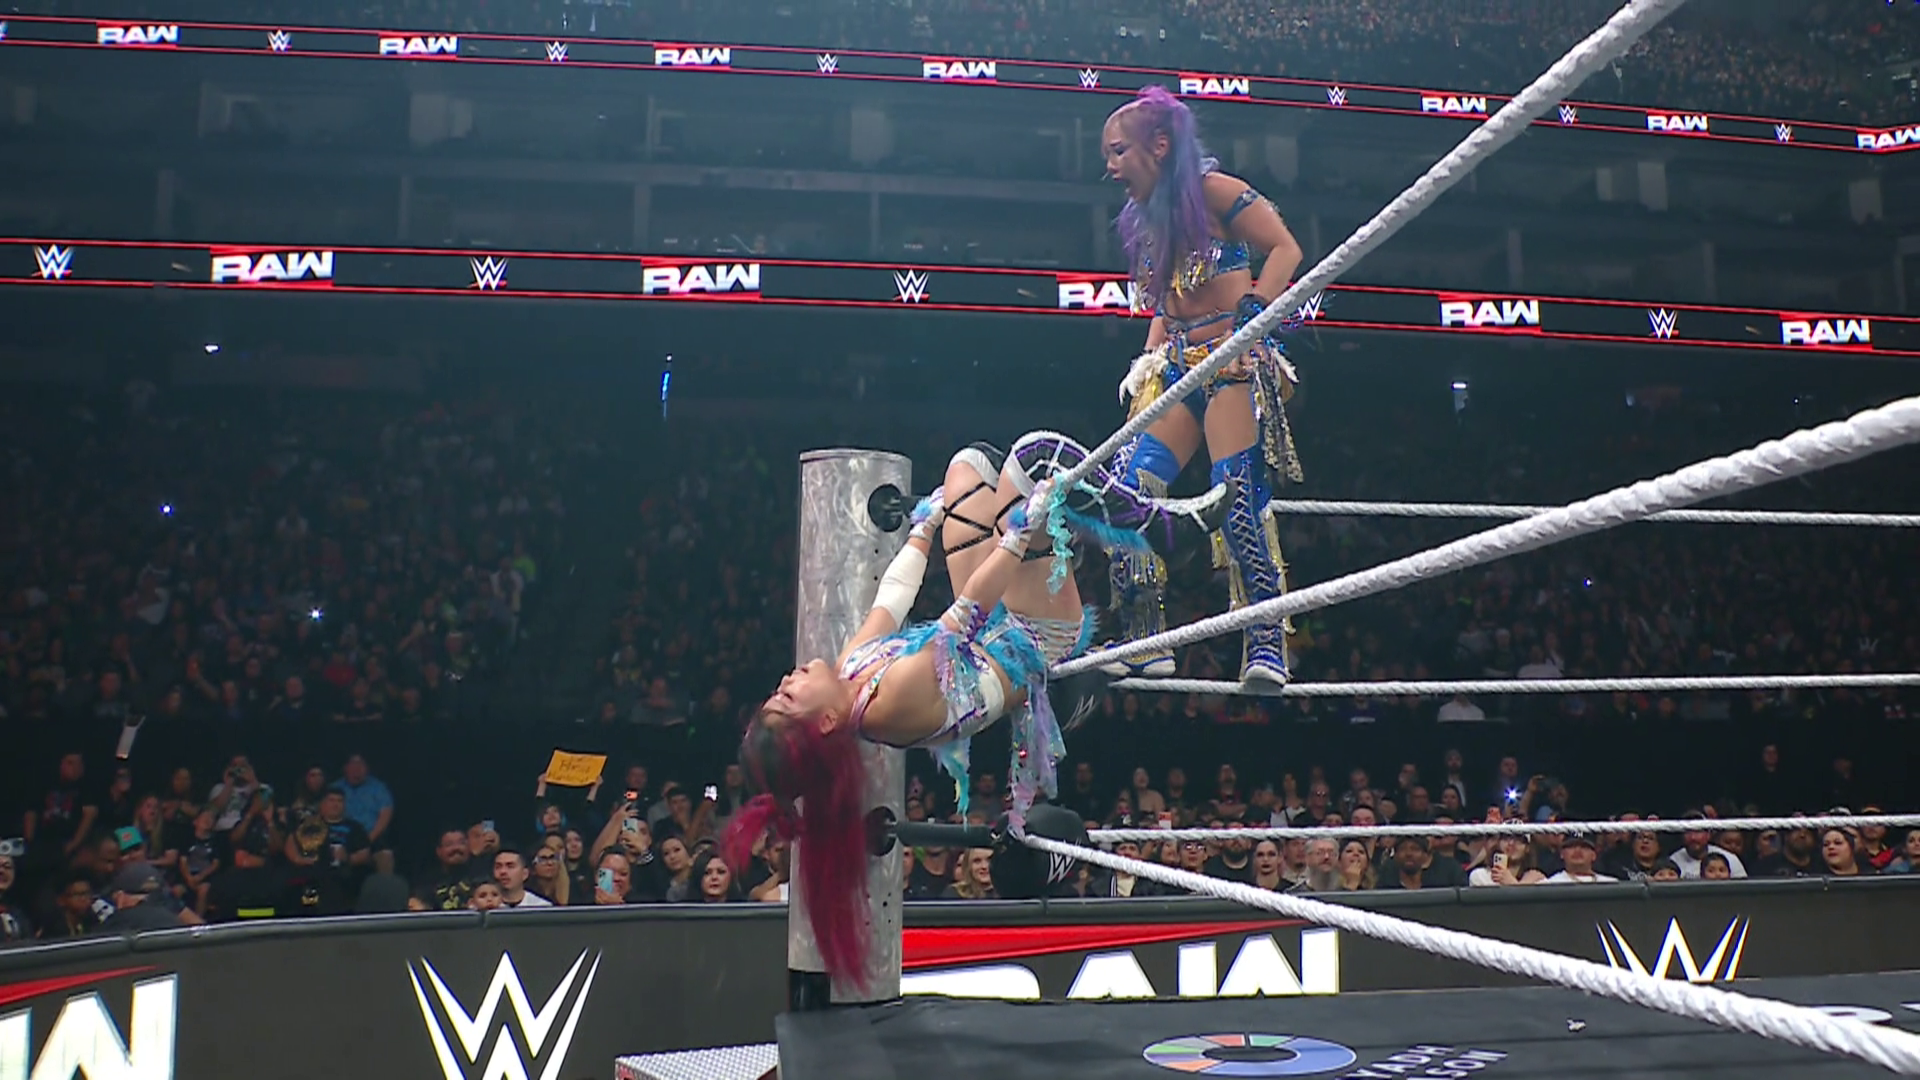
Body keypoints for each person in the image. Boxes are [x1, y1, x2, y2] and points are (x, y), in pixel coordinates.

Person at [727, 430, 1224, 987]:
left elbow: (890, 602)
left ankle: (1083, 521)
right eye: (787, 696)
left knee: (966, 468)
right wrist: (1018, 533)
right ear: (823, 723)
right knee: (1035, 459)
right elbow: (965, 612)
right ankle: (1167, 532)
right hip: (1034, 634)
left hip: (993, 624)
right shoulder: (890, 702)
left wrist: (925, 527)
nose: (787, 678)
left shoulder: (851, 674)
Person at [1099, 85, 1306, 685]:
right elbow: (1166, 300)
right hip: (1177, 366)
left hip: (1230, 363)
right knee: (1128, 490)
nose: (1110, 167)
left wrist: (1256, 308)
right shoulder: (1146, 220)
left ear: (1159, 146)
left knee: (1235, 494)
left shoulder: (1214, 191)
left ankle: (1265, 641)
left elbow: (1285, 247)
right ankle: (1144, 636)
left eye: (1118, 151)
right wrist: (1147, 360)